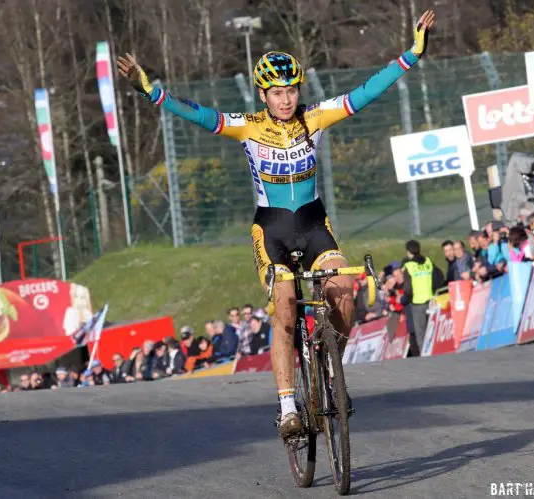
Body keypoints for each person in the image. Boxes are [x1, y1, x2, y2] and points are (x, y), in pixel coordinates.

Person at [118, 10, 437, 439]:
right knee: (285, 309)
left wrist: (412, 55)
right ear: (263, 95)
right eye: (276, 93)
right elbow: (196, 114)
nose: (286, 100)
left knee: (344, 293)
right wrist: (150, 91)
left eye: (291, 91)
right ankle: (288, 407)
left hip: (313, 223)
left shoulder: (315, 118)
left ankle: (329, 370)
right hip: (272, 232)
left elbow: (365, 93)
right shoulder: (248, 128)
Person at [400, 240, 445, 357]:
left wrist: (406, 298)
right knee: (431, 329)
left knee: (420, 333)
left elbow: (408, 287)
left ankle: (425, 356)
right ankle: (434, 352)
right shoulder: (428, 262)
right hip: (430, 300)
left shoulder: (409, 266)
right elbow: (439, 277)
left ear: (408, 251)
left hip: (417, 303)